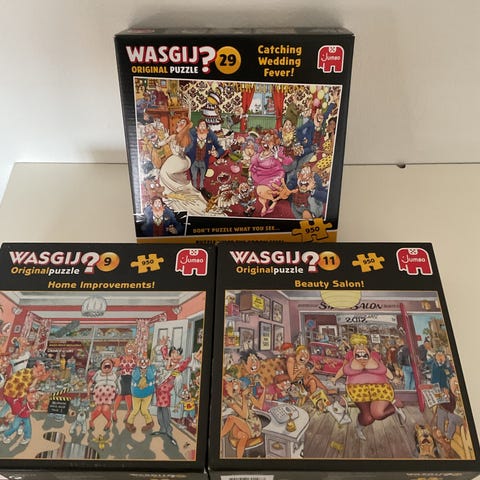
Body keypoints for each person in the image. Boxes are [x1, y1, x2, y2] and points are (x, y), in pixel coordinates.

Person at [333, 334, 405, 441]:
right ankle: (359, 427)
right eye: (356, 344)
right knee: (368, 418)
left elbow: (384, 369)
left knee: (378, 414)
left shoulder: (374, 355)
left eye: (362, 344)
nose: (360, 346)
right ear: (353, 346)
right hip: (358, 390)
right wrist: (335, 378)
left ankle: (394, 408)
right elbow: (344, 369)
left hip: (379, 388)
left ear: (366, 345)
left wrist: (392, 378)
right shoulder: (350, 355)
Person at [185, 118, 225, 194]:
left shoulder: (211, 135)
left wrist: (217, 153)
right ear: (197, 127)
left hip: (204, 161)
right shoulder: (191, 134)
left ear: (207, 128)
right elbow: (185, 146)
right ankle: (194, 189)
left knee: (202, 177)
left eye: (204, 126)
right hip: (193, 161)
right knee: (194, 177)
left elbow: (220, 148)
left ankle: (202, 188)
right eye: (200, 125)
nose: (202, 128)